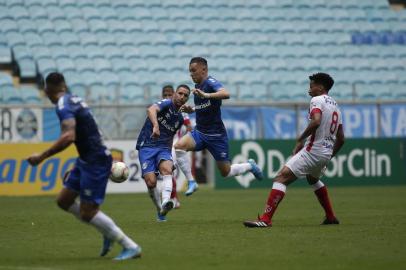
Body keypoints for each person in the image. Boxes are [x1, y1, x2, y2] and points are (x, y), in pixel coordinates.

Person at [27, 72, 141, 260]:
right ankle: (106, 231)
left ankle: (130, 246)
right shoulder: (73, 99)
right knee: (64, 200)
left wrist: (41, 157)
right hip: (86, 159)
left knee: (88, 212)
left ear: (47, 90)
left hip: (95, 160)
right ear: (64, 85)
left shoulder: (63, 105)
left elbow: (68, 136)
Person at [243, 73, 345, 228]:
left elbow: (316, 121)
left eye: (312, 85)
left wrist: (300, 139)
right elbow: (342, 138)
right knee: (313, 179)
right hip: (325, 153)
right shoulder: (336, 106)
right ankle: (330, 216)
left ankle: (265, 219)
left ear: (321, 87)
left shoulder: (316, 100)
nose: (309, 89)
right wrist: (329, 156)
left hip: (313, 151)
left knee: (281, 178)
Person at [175, 57, 263, 191]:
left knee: (225, 172)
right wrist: (192, 109)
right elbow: (205, 106)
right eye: (190, 71)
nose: (191, 74)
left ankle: (250, 166)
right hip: (200, 132)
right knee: (179, 146)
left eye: (194, 71)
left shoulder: (210, 82)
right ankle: (192, 182)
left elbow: (226, 94)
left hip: (216, 136)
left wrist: (207, 95)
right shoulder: (198, 86)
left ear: (203, 69)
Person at [136, 84, 190, 222]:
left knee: (167, 170)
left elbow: (171, 135)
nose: (182, 97)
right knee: (151, 182)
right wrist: (155, 125)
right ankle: (160, 209)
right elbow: (151, 109)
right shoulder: (166, 103)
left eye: (185, 95)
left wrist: (168, 151)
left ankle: (166, 201)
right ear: (174, 94)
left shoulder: (179, 119)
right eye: (180, 93)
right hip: (147, 145)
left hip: (163, 148)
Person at [161, 85, 194, 209]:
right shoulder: (161, 107)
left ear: (174, 94)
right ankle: (171, 198)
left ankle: (172, 198)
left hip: (174, 143)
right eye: (165, 95)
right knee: (165, 173)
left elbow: (189, 127)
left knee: (169, 171)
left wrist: (187, 142)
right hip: (162, 144)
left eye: (170, 94)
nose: (168, 97)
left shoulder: (181, 109)